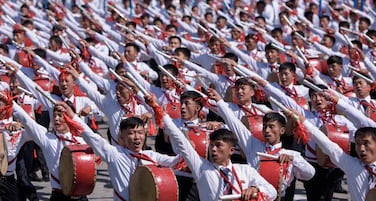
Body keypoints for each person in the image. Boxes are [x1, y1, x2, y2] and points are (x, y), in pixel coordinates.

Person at [145, 95, 277, 201]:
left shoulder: (245, 170)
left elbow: (272, 192)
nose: (213, 149)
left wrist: (255, 189)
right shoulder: (201, 168)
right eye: (212, 145)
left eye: (218, 146)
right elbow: (179, 138)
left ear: (231, 150)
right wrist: (158, 109)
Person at [51, 102, 181, 201]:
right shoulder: (115, 154)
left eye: (140, 133)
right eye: (131, 133)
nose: (136, 137)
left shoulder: (150, 156)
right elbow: (90, 136)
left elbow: (175, 162)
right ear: (122, 137)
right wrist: (72, 116)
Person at [206, 88, 315, 201]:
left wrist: (292, 160)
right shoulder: (252, 145)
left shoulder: (291, 154)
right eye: (265, 127)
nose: (267, 131)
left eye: (271, 127)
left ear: (282, 131)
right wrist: (220, 102)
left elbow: (310, 174)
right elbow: (234, 124)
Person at [290, 110, 376, 201]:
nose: (362, 149)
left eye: (366, 143)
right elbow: (327, 144)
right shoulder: (352, 165)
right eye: (358, 144)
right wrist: (304, 122)